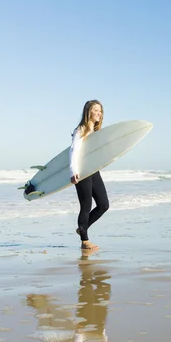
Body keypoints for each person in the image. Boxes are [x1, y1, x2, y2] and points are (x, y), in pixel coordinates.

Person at [69, 100, 110, 250]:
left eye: (100, 111)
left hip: (93, 171)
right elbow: (74, 151)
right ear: (88, 112)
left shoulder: (97, 132)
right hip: (82, 171)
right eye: (95, 110)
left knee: (104, 205)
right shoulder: (81, 129)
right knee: (86, 206)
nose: (99, 113)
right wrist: (74, 171)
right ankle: (84, 240)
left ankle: (82, 229)